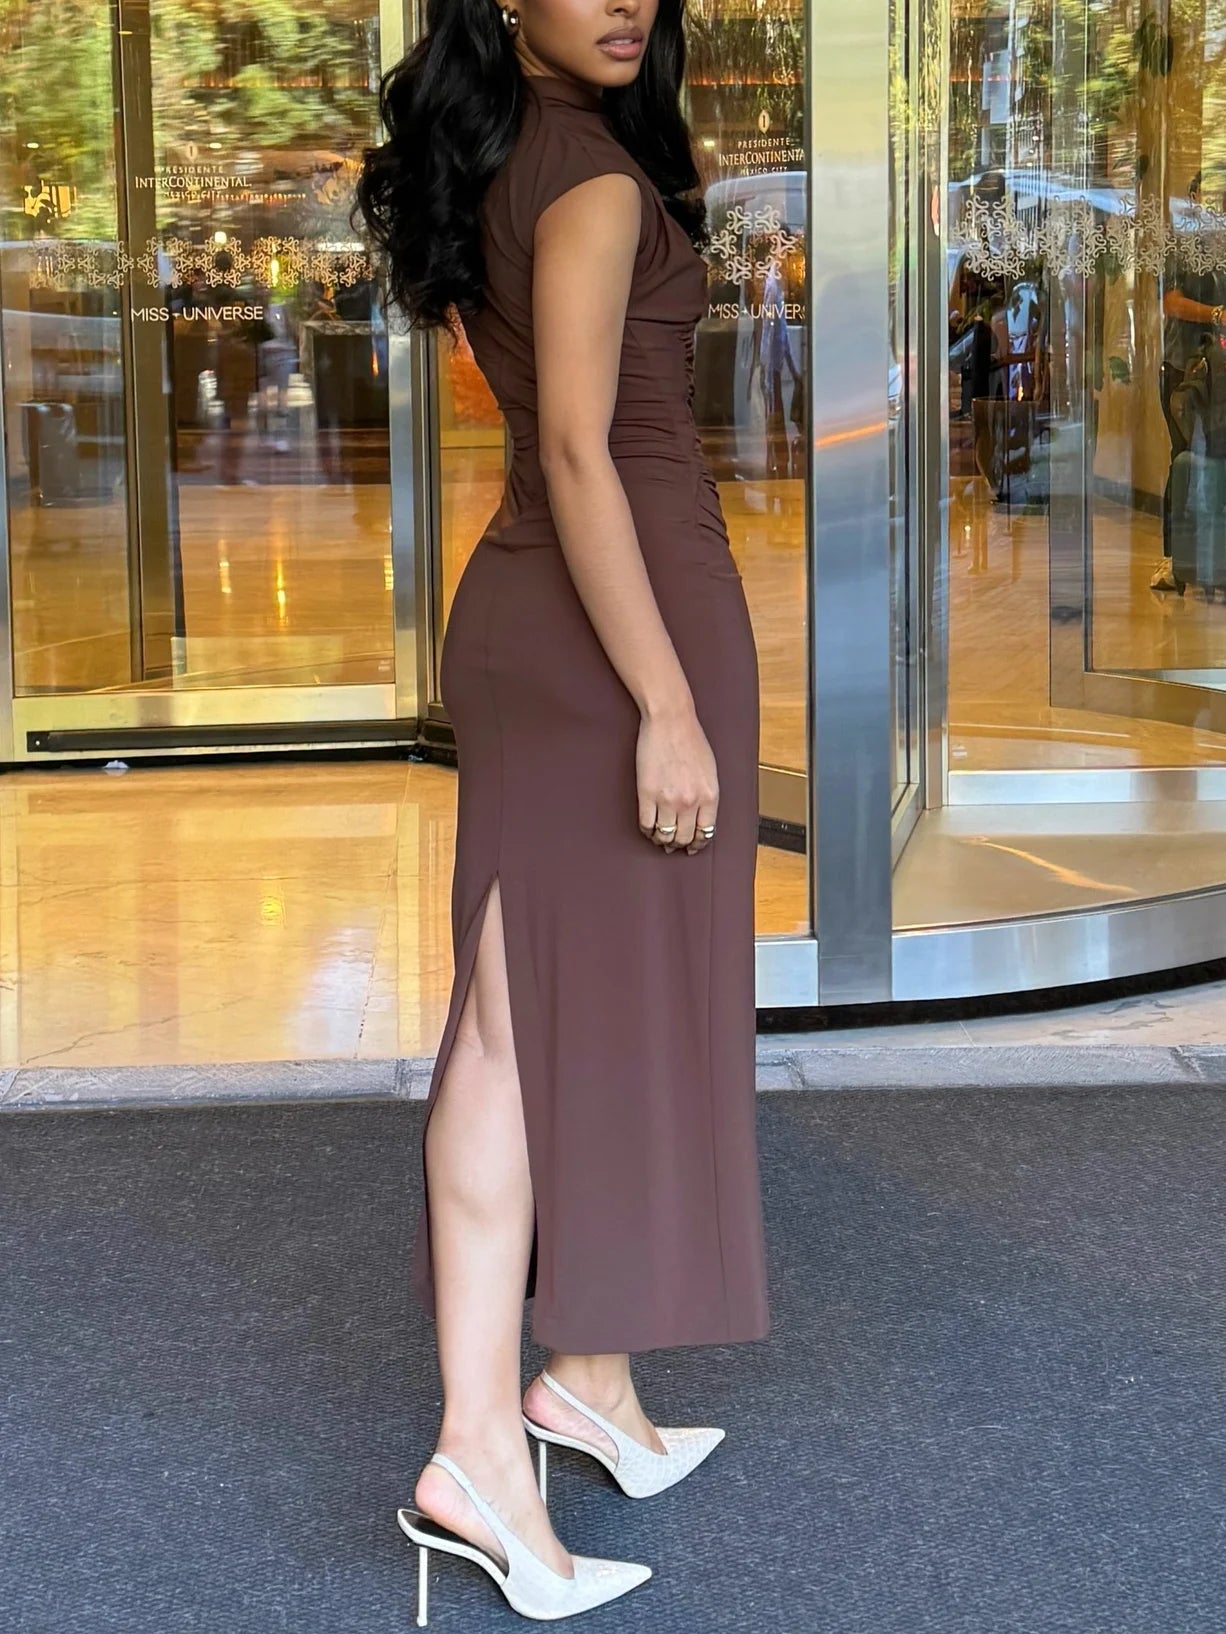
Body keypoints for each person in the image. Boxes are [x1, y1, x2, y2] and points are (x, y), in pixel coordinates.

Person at [353, 0, 770, 1623]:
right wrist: (664, 701)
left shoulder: (511, 161)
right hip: (610, 635)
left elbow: (535, 421)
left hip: (578, 618)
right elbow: (583, 457)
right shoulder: (585, 178)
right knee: (520, 1032)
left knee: (559, 1011)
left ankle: (585, 1373)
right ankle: (475, 1449)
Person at [1150, 169, 1226, 591]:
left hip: (1220, 368)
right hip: (1184, 370)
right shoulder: (1181, 244)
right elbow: (1170, 302)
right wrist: (1215, 315)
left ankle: (1208, 557)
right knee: (1184, 458)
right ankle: (1172, 559)